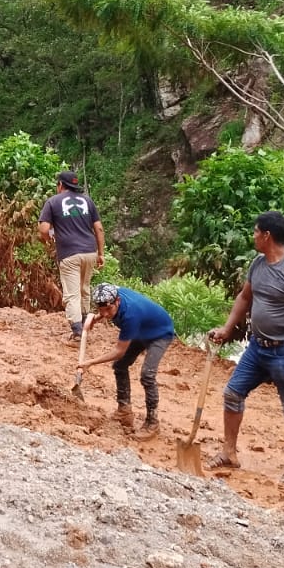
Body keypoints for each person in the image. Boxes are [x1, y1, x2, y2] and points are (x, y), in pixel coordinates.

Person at [206, 210, 284, 490]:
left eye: (256, 231)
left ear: (267, 235)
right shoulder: (257, 264)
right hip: (258, 348)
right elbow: (245, 297)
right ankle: (229, 452)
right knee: (232, 393)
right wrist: (226, 328)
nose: (254, 235)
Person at [79, 283, 173, 438]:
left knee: (147, 375)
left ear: (118, 301)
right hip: (141, 329)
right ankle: (124, 411)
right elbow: (106, 308)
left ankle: (152, 422)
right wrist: (95, 318)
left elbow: (119, 351)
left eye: (108, 309)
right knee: (120, 366)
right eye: (101, 309)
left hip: (160, 334)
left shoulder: (131, 315)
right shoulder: (112, 293)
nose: (106, 314)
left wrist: (90, 362)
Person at [38, 170, 105, 343]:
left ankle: (77, 333)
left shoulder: (53, 202)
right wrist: (101, 254)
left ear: (60, 184)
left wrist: (48, 239)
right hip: (90, 252)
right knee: (84, 289)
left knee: (72, 294)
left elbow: (44, 229)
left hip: (69, 254)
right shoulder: (87, 201)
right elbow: (99, 228)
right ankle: (84, 326)